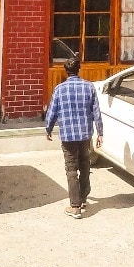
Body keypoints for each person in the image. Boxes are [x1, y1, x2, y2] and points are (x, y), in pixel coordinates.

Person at [45, 57, 103, 218]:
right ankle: (83, 198)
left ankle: (75, 206)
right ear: (79, 69)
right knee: (85, 165)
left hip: (68, 135)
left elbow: (52, 111)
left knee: (71, 169)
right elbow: (96, 112)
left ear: (66, 71)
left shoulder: (59, 89)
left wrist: (48, 128)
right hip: (85, 134)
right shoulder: (89, 87)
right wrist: (100, 132)